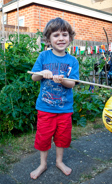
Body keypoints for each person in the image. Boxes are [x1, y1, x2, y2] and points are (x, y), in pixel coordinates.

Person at [30, 17, 79, 179]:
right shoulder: (43, 57)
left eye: (64, 35)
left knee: (62, 137)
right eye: (56, 35)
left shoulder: (73, 61)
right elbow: (33, 78)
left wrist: (63, 80)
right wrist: (42, 73)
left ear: (70, 38)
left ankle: (59, 161)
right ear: (48, 39)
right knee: (44, 137)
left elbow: (72, 83)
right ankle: (43, 164)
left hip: (65, 109)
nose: (61, 38)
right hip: (45, 108)